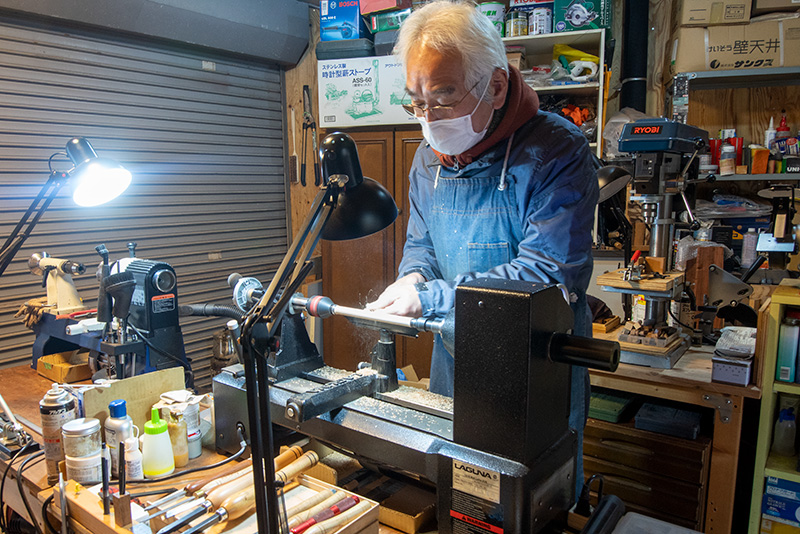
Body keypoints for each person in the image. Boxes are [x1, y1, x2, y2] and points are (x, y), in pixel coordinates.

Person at [365, 0, 598, 493]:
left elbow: (546, 274)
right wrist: (412, 277)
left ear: (495, 85)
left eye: (443, 97)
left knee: (536, 497)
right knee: (465, 488)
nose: (428, 118)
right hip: (457, 349)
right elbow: (422, 246)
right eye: (416, 100)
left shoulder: (558, 151)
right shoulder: (429, 161)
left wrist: (429, 298)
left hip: (539, 363)